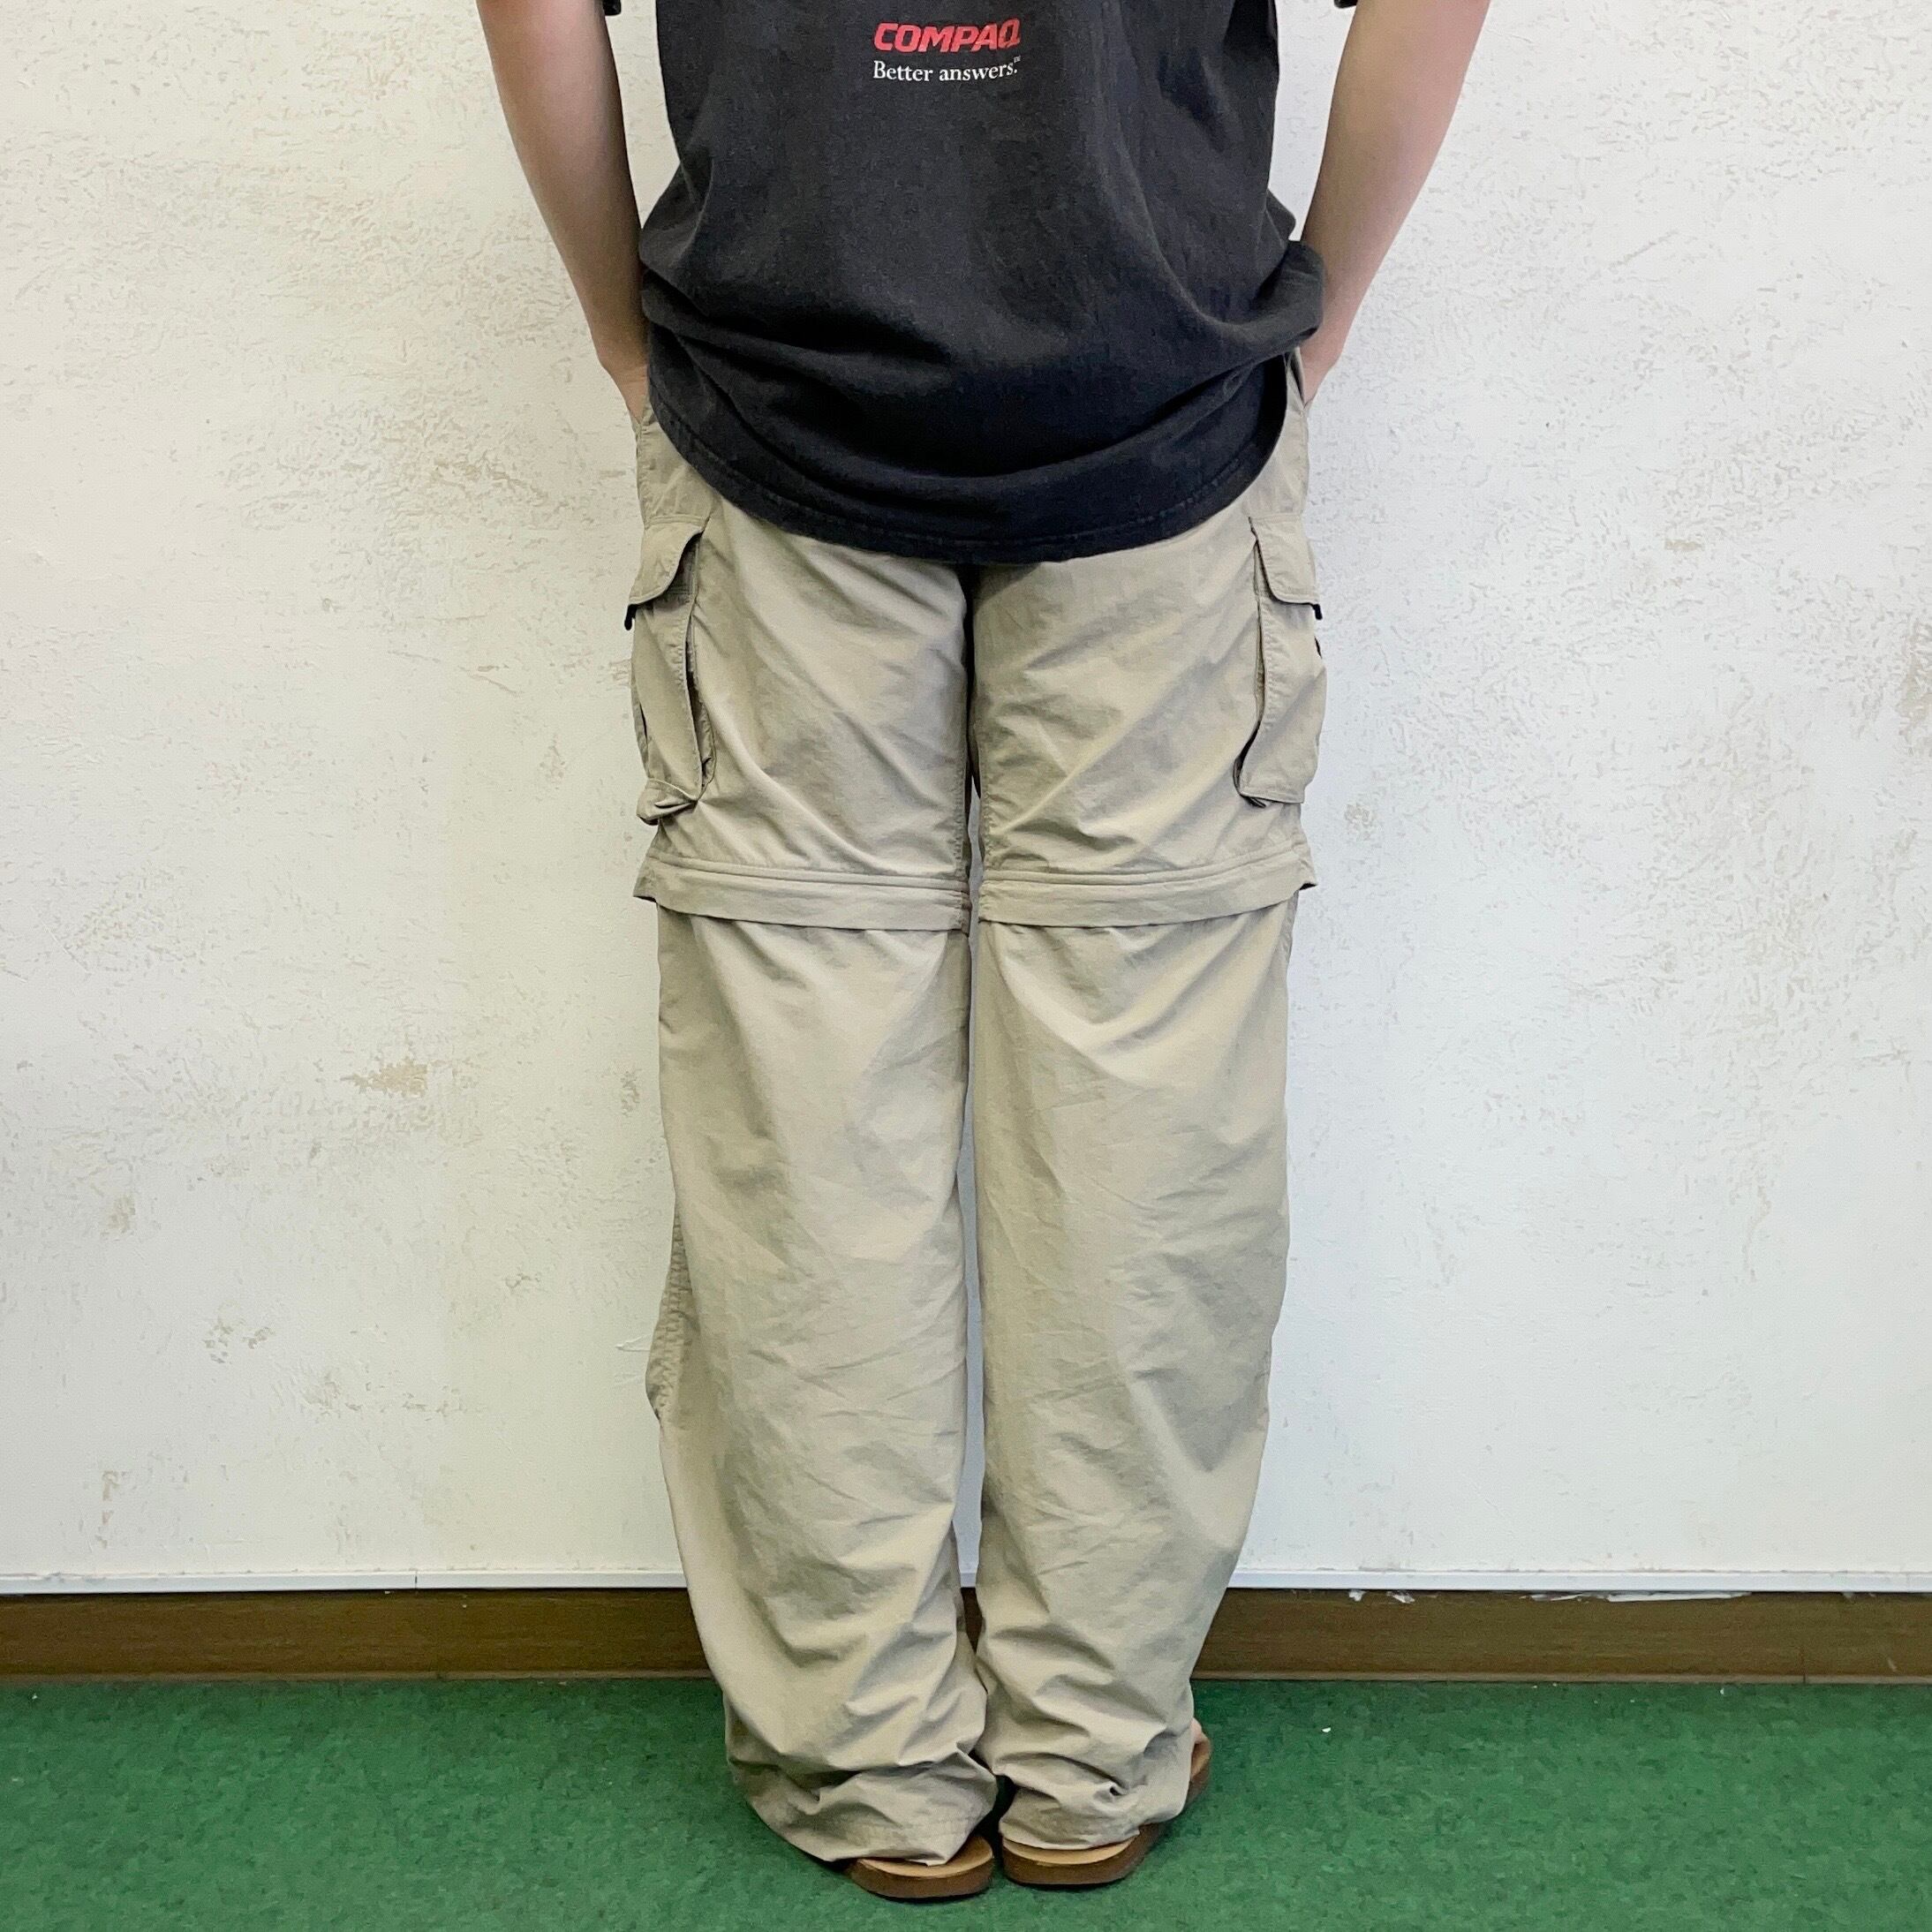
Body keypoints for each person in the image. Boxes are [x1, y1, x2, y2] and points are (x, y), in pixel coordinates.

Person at [479, 0, 1488, 1900]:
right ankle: (1091, 1745)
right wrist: (1311, 327)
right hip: (1163, 404)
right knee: (1144, 1113)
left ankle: (864, 1760)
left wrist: (625, 340)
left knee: (805, 1120)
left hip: (774, 407)